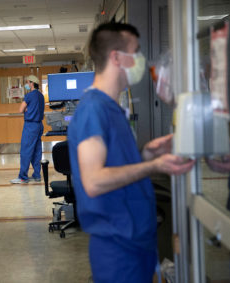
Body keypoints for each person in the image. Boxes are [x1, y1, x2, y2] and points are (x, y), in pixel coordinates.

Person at [67, 22, 195, 282]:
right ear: (116, 57)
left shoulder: (111, 108)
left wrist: (147, 154)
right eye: (135, 52)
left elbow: (115, 164)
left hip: (136, 243)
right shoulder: (94, 109)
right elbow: (94, 181)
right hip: (118, 252)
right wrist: (153, 167)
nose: (141, 60)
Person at [10, 75, 45, 184]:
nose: (26, 84)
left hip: (30, 126)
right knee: (36, 150)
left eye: (27, 82)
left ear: (31, 83)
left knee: (26, 151)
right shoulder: (41, 96)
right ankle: (37, 175)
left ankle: (23, 177)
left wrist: (26, 109)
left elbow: (20, 109)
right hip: (39, 125)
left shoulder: (29, 95)